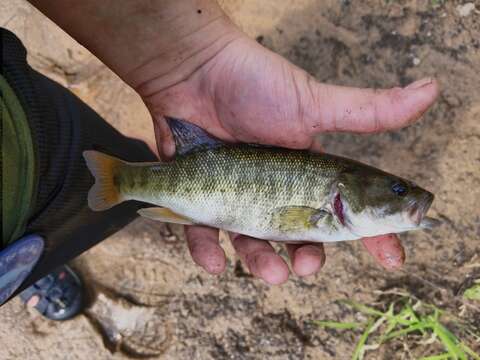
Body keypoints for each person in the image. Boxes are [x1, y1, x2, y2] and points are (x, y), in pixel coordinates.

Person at [0, 0, 439, 319]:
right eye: (397, 190)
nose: (408, 196)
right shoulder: (333, 208)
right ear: (349, 191)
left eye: (400, 190)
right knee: (90, 203)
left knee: (93, 181)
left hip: (18, 118)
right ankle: (29, 268)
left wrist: (192, 56)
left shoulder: (339, 209)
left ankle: (43, 258)